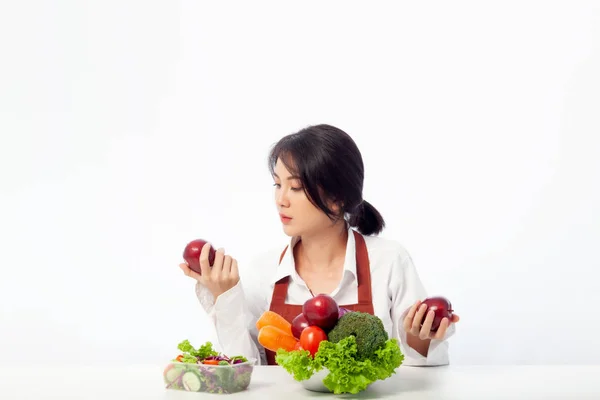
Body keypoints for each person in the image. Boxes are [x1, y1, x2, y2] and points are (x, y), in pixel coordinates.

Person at [179, 124, 460, 366]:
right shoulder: (264, 270)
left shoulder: (388, 261)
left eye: (296, 187)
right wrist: (224, 297)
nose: (281, 199)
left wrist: (418, 338)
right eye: (278, 184)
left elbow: (416, 377)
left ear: (337, 198)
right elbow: (246, 369)